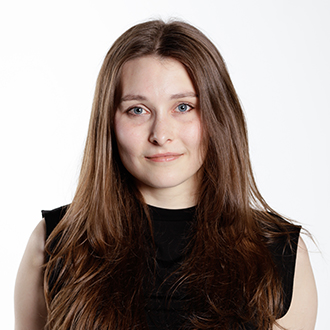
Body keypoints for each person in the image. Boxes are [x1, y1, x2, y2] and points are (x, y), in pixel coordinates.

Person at [14, 19, 317, 330]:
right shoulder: (55, 244)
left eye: (183, 107)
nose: (161, 134)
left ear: (218, 116)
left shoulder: (279, 254)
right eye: (138, 110)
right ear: (108, 123)